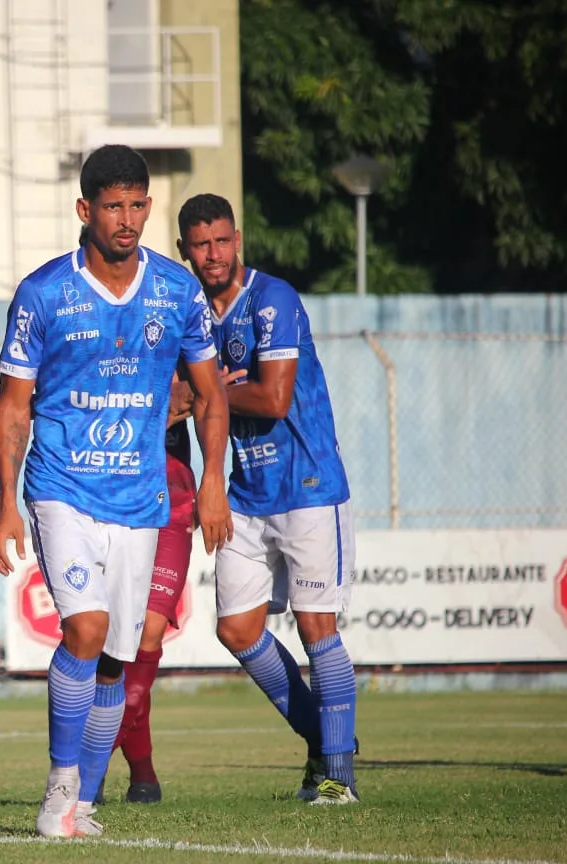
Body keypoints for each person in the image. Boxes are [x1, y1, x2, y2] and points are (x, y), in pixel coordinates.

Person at [0, 145, 231, 839]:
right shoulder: (42, 293)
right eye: (112, 206)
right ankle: (60, 784)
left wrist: (212, 482)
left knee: (118, 663)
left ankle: (82, 805)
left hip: (142, 495)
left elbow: (211, 394)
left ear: (148, 208)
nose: (126, 220)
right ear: (85, 210)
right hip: (62, 485)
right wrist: (8, 500)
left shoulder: (177, 291)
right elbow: (12, 406)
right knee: (86, 630)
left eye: (136, 205)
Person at [176, 193, 359, 805]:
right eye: (201, 245)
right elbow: (194, 407)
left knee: (315, 628)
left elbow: (275, 398)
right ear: (185, 251)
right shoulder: (190, 317)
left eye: (222, 241)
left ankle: (339, 776)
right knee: (236, 627)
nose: (213, 254)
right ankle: (326, 739)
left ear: (238, 240)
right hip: (245, 495)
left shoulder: (271, 298)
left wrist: (203, 391)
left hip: (308, 488)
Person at [100, 375, 198, 805]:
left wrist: (214, 478)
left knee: (147, 635)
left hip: (172, 499)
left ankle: (89, 766)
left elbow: (211, 401)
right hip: (109, 496)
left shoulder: (181, 326)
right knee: (111, 645)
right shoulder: (100, 333)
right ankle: (144, 774)